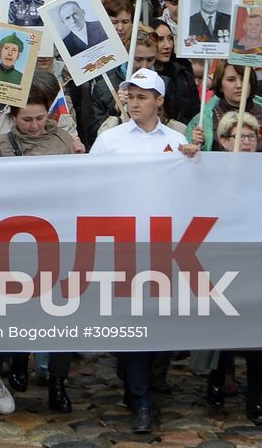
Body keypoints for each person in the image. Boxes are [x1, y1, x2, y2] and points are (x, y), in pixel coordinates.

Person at [88, 68, 198, 435]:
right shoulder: (110, 140)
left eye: (142, 97)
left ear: (159, 101)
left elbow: (192, 189)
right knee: (135, 320)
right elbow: (88, 185)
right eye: (130, 97)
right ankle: (141, 399)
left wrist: (194, 160)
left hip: (166, 243)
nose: (134, 103)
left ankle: (143, 380)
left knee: (160, 319)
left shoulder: (178, 140)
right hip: (125, 242)